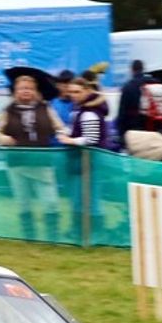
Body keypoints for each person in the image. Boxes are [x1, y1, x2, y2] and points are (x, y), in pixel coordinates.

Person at [0, 75, 65, 241]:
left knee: (50, 201)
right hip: (17, 164)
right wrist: (4, 139)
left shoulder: (46, 108)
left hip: (42, 163)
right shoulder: (7, 111)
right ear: (15, 91)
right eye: (22, 88)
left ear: (35, 91)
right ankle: (29, 237)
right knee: (23, 202)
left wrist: (63, 135)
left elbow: (60, 128)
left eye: (29, 88)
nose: (26, 91)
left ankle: (52, 237)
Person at [56, 77, 112, 242]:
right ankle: (79, 231)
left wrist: (70, 140)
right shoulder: (79, 110)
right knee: (79, 198)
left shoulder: (89, 113)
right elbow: (77, 130)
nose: (73, 95)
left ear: (87, 91)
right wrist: (66, 132)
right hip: (80, 162)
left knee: (91, 199)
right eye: (71, 92)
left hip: (90, 162)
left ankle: (95, 233)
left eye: (77, 92)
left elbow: (92, 139)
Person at [116, 59, 150, 140]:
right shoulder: (154, 82)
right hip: (154, 127)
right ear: (143, 69)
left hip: (134, 129)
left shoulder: (128, 86)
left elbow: (122, 112)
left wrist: (121, 134)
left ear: (132, 70)